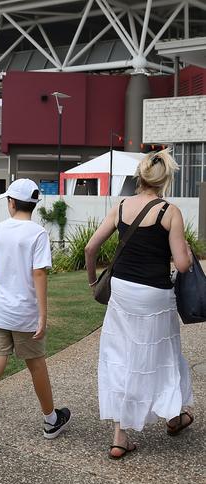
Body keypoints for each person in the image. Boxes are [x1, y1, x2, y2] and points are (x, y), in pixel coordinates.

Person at [85, 150, 194, 459]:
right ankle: (174, 416)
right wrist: (182, 244)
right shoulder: (169, 212)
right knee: (162, 355)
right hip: (155, 295)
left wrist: (93, 281)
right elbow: (183, 265)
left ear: (140, 176)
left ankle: (120, 437)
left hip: (121, 291)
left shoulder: (120, 207)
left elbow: (91, 248)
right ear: (165, 181)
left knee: (121, 356)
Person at [0, 179, 71, 452]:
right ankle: (50, 420)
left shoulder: (1, 229)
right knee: (36, 365)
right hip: (25, 312)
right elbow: (39, 273)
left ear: (12, 202)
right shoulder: (38, 234)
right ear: (34, 203)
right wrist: (43, 316)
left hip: (0, 311)